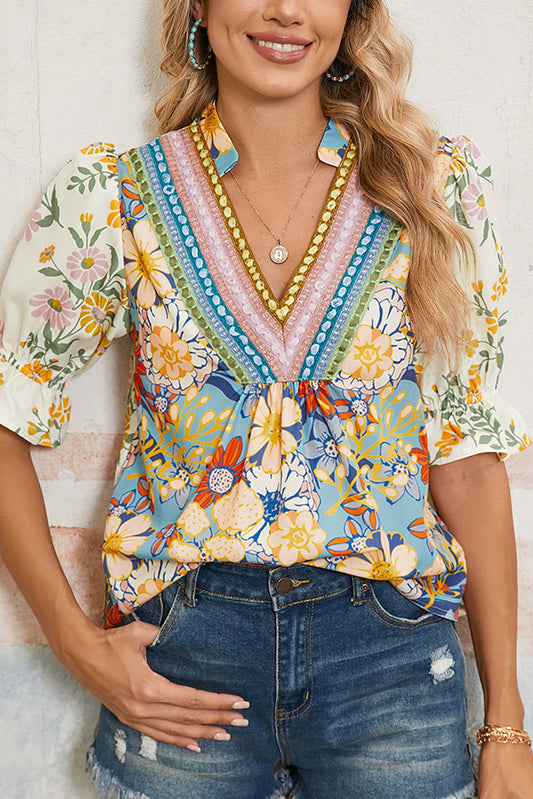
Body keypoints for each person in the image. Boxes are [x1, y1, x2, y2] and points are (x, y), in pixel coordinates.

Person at [0, 0, 532, 796]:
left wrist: (505, 724)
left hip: (390, 665)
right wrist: (75, 645)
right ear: (199, 9)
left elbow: (465, 459)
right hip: (182, 660)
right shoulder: (110, 198)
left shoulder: (430, 188)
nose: (286, 9)